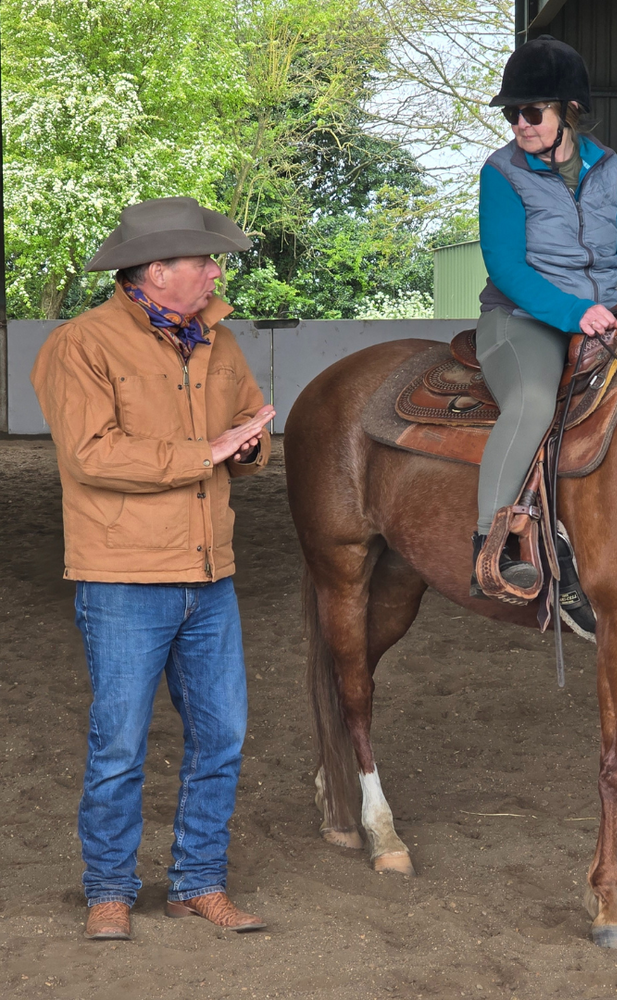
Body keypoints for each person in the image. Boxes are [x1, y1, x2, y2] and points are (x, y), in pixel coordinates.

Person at [30, 197, 276, 941]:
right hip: (123, 575)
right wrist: (205, 452)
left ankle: (196, 881)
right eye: (203, 261)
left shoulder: (219, 342)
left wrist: (250, 446)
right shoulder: (83, 344)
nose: (214, 271)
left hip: (210, 572)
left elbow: (252, 424)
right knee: (118, 743)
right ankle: (109, 889)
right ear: (158, 270)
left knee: (222, 736)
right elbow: (91, 455)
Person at [472, 36, 617, 632]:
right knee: (535, 402)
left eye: (531, 111)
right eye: (510, 113)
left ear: (568, 109)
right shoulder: (501, 173)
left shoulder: (608, 166)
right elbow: (507, 267)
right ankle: (488, 546)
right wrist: (575, 312)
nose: (519, 124)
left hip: (607, 316)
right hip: (521, 321)